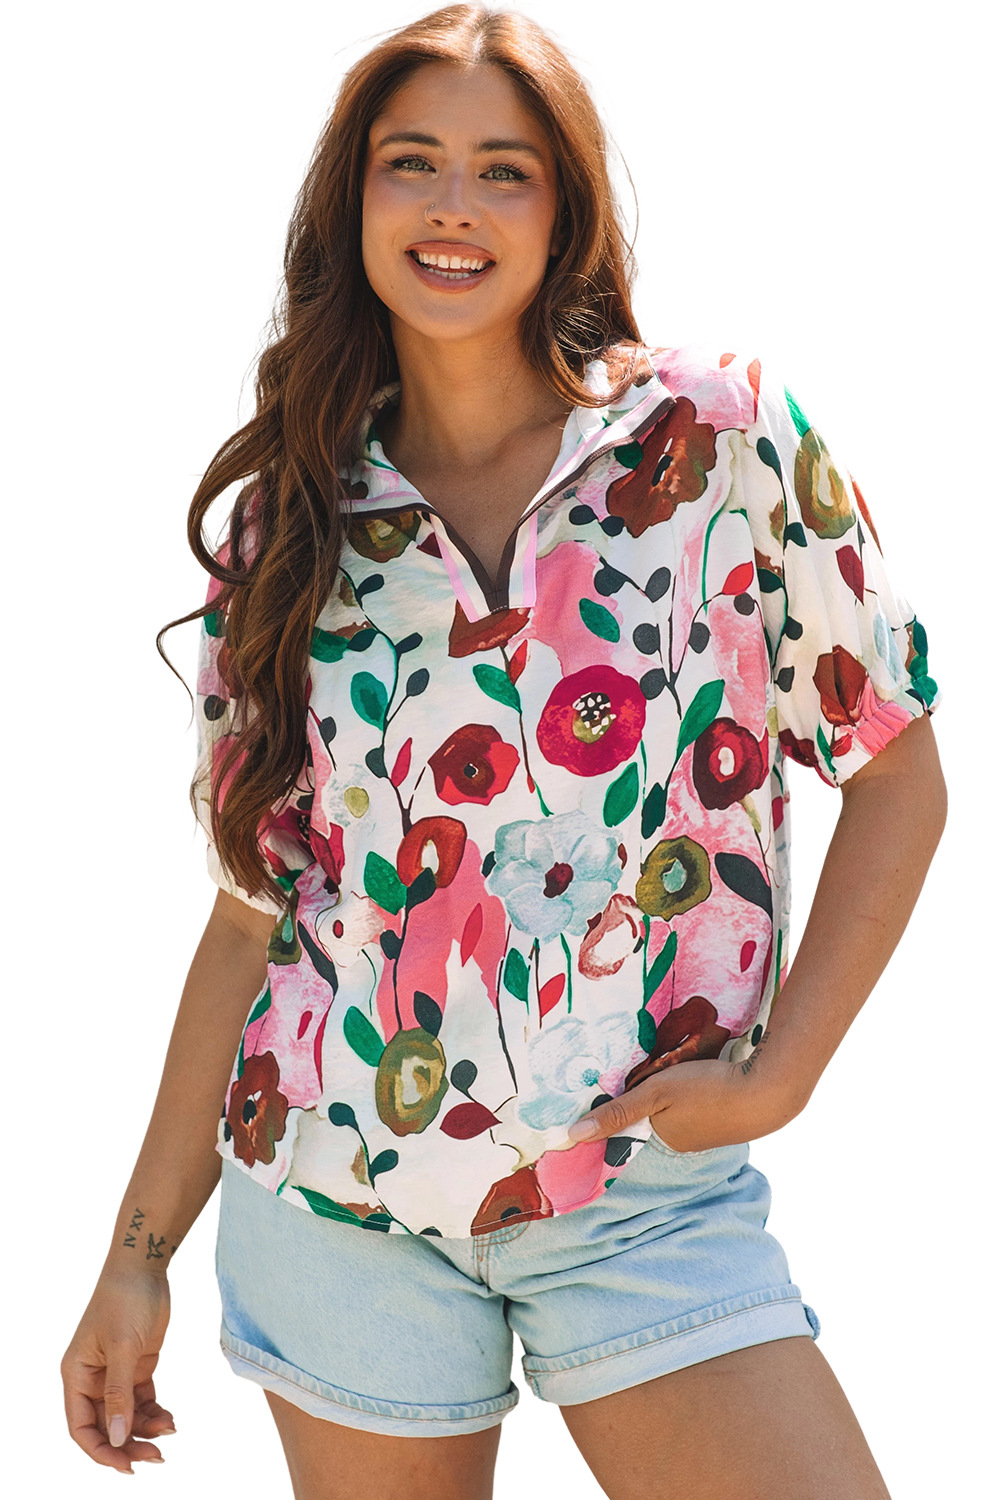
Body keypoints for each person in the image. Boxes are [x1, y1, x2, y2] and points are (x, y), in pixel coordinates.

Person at [60, 6, 946, 1497]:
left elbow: (897, 772)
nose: (453, 205)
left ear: (564, 209)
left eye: (504, 170)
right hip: (336, 1208)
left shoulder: (715, 437)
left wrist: (780, 1076)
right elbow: (252, 915)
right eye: (411, 162)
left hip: (643, 1192)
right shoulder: (289, 526)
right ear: (354, 203)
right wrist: (134, 1254)